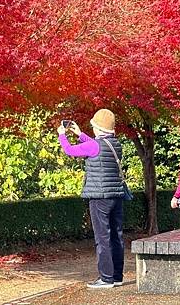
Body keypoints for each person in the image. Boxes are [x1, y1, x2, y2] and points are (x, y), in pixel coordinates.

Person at [57, 109, 125, 289]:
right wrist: (80, 134)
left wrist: (62, 135)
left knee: (102, 237)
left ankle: (106, 278)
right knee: (116, 235)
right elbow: (96, 145)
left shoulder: (94, 145)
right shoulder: (116, 144)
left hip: (98, 197)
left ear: (98, 128)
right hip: (115, 195)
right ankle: (117, 276)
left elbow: (69, 150)